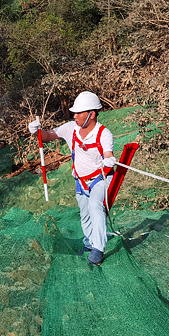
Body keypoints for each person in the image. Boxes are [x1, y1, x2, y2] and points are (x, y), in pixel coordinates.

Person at [28, 91, 117, 266]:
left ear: (91, 114)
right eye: (74, 113)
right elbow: (48, 136)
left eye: (79, 113)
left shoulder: (104, 134)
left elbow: (108, 154)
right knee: (84, 213)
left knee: (95, 206)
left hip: (101, 178)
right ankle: (89, 243)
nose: (74, 116)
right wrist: (36, 131)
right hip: (80, 180)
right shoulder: (70, 128)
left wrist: (109, 159)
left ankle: (98, 248)